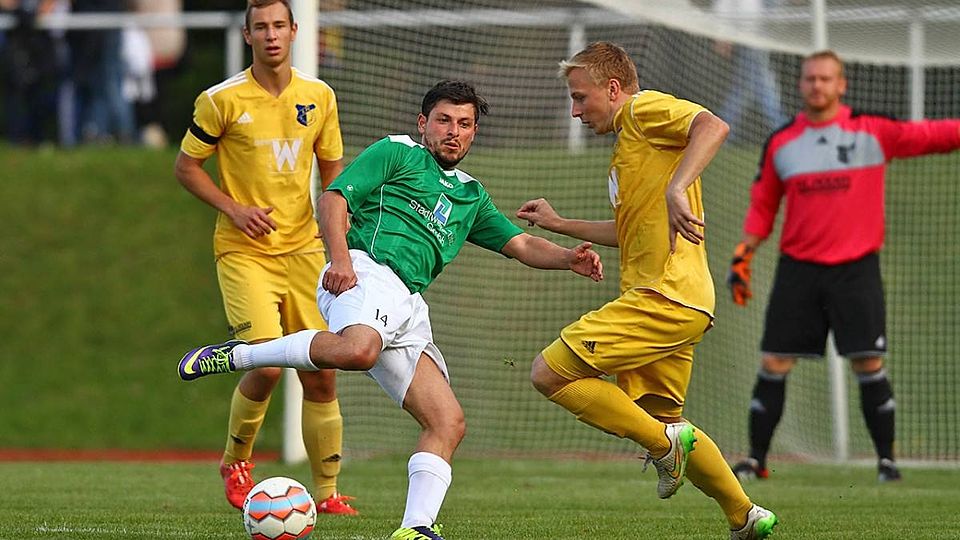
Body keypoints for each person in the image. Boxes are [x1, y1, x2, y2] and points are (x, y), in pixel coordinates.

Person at [177, 79, 604, 540]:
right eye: (444, 120)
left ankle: (414, 528)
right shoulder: (398, 152)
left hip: (408, 303)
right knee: (357, 351)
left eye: (464, 124)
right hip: (367, 270)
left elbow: (520, 244)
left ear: (474, 132)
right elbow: (333, 198)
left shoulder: (471, 195)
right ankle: (240, 355)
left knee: (447, 422)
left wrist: (568, 258)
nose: (453, 131)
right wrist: (340, 260)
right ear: (423, 123)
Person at [517, 42, 778, 540]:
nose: (575, 111)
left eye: (580, 97)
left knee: (549, 373)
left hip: (664, 295)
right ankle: (745, 516)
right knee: (664, 422)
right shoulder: (628, 149)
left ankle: (664, 448)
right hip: (679, 300)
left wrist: (678, 188)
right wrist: (560, 224)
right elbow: (628, 231)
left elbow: (713, 126)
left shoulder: (641, 110)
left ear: (613, 88)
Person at [727, 49, 960, 483]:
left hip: (856, 270)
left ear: (841, 84)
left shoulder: (872, 130)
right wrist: (744, 252)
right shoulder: (782, 142)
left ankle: (887, 464)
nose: (817, 85)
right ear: (801, 84)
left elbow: (931, 134)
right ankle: (756, 461)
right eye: (810, 78)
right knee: (774, 362)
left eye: (825, 78)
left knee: (868, 363)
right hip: (798, 270)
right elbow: (763, 205)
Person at [174, 0, 356, 515]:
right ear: (247, 35)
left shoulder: (319, 95)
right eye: (261, 27)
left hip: (305, 250)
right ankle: (236, 461)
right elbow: (186, 167)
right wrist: (234, 209)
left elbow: (334, 170)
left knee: (322, 370)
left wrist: (335, 227)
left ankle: (328, 494)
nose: (271, 34)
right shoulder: (220, 100)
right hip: (245, 252)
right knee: (269, 362)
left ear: (295, 31)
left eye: (279, 25)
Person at [712, 0, 786, 142]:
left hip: (757, 38)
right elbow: (725, 6)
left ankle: (721, 132)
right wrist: (722, 36)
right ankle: (784, 131)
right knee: (759, 89)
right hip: (750, 39)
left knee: (747, 90)